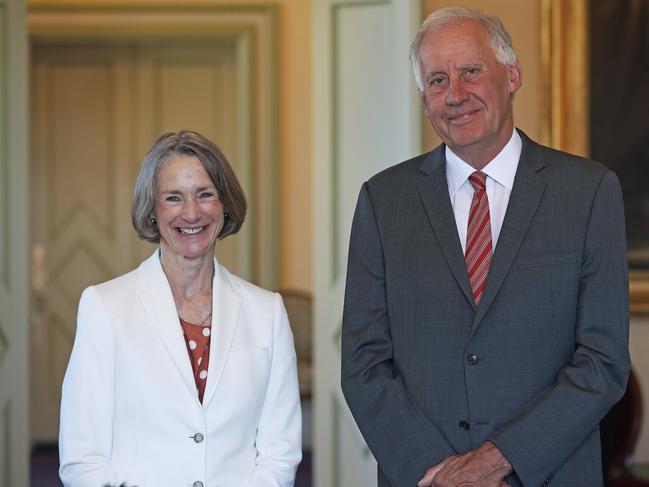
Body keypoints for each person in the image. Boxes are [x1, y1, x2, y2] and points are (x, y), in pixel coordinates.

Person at [341, 7, 630, 487]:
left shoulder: (588, 192)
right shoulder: (383, 200)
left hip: (549, 475)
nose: (454, 95)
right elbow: (363, 362)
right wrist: (438, 473)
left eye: (470, 71)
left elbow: (602, 362)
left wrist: (494, 462)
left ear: (512, 74)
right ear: (423, 98)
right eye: (436, 80)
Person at [59, 130, 301, 487]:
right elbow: (82, 460)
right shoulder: (105, 307)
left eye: (205, 194)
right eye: (173, 198)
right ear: (153, 211)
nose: (192, 212)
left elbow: (279, 454)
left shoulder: (268, 312)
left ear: (224, 205)